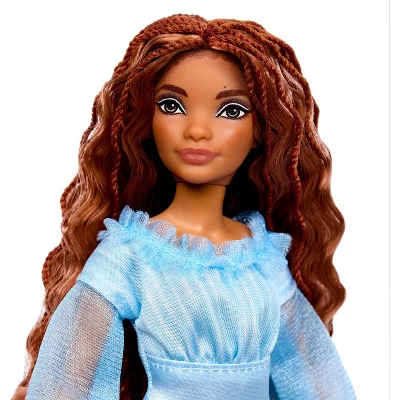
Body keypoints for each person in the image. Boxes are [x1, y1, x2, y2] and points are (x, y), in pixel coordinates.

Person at [13, 14, 356, 399]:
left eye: (231, 111)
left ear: (262, 130)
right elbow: (69, 379)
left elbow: (314, 376)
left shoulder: (261, 258)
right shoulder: (131, 255)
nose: (197, 130)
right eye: (172, 105)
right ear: (146, 120)